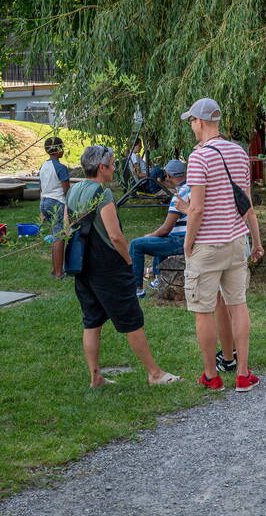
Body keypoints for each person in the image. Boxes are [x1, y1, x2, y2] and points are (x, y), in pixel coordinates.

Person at [66, 146, 181, 388]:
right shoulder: (102, 194)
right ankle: (155, 374)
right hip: (108, 266)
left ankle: (95, 376)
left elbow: (67, 229)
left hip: (83, 265)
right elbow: (115, 236)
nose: (115, 168)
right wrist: (128, 260)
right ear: (101, 168)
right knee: (131, 319)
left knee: (92, 321)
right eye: (113, 164)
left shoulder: (74, 190)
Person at [182, 98, 265, 392]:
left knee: (203, 310)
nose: (191, 127)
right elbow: (246, 204)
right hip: (235, 240)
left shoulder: (199, 158)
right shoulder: (240, 153)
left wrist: (188, 244)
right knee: (238, 304)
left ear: (201, 122)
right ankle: (242, 373)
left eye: (191, 121)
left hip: (207, 243)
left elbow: (197, 208)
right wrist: (255, 240)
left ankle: (211, 375)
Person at [128, 160, 190, 298]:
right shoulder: (192, 188)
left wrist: (150, 235)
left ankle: (137, 289)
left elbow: (166, 229)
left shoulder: (179, 196)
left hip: (181, 241)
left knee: (136, 244)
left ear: (168, 175)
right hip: (188, 238)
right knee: (159, 239)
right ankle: (157, 277)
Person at [39, 137, 70, 279]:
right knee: (59, 237)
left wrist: (42, 211)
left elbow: (42, 187)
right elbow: (66, 190)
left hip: (44, 201)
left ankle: (54, 269)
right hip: (57, 202)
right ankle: (59, 273)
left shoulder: (43, 166)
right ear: (58, 150)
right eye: (62, 147)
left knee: (54, 234)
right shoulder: (61, 168)